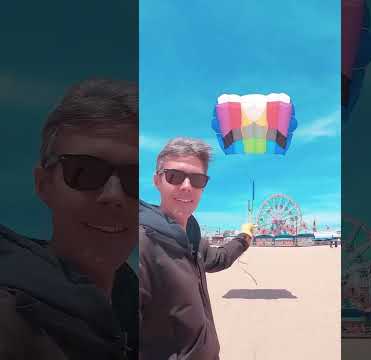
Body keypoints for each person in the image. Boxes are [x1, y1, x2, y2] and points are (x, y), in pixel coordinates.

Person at [0, 79, 139, 360]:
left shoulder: (130, 294)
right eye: (84, 171)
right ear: (43, 185)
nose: (113, 195)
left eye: (134, 178)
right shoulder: (11, 320)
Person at [139, 137, 254, 360]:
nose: (186, 186)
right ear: (156, 180)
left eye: (197, 179)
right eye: (174, 176)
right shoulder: (143, 245)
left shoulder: (194, 241)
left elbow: (219, 258)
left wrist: (244, 238)